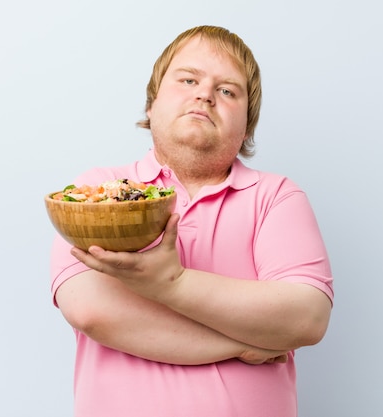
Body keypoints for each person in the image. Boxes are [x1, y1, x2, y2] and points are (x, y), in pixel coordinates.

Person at [50, 25, 334, 417]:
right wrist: (244, 343)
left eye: (228, 91)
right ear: (152, 104)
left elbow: (307, 317)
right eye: (188, 79)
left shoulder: (277, 197)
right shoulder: (94, 191)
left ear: (247, 124)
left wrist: (172, 283)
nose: (204, 94)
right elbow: (92, 311)